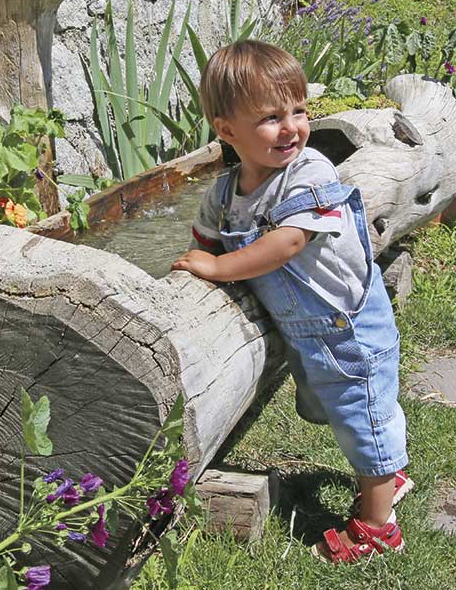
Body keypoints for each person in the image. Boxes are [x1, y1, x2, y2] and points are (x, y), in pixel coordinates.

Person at [172, 40, 412, 563]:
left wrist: (216, 268)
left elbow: (288, 243)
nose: (291, 128)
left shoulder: (311, 172)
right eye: (271, 117)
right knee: (341, 409)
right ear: (226, 129)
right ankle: (382, 475)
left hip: (347, 325)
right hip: (310, 329)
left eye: (298, 111)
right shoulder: (225, 192)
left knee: (361, 414)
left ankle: (377, 527)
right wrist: (196, 264)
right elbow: (205, 240)